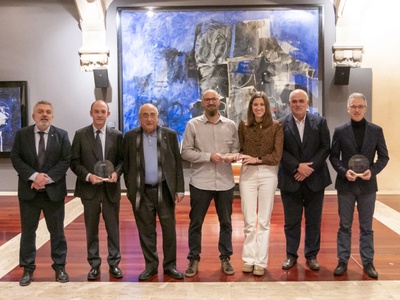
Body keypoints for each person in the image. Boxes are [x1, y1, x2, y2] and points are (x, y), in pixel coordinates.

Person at [10, 100, 71, 286]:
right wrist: (34, 177)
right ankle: (27, 269)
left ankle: (60, 267)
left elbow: (66, 159)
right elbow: (16, 158)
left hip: (53, 192)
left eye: (48, 112)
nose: (44, 115)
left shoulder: (61, 135)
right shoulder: (22, 135)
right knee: (28, 232)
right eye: (40, 111)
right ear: (33, 115)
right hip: (29, 193)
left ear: (52, 115)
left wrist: (46, 179)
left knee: (57, 232)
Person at [329, 93, 389, 278]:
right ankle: (342, 260)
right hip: (346, 185)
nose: (356, 110)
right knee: (344, 225)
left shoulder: (376, 130)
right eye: (353, 106)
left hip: (367, 185)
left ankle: (368, 261)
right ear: (348, 108)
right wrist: (343, 171)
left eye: (360, 106)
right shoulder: (339, 131)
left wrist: (373, 170)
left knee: (366, 226)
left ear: (365, 108)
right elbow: (333, 156)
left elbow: (384, 157)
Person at [181, 89, 239, 277]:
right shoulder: (193, 125)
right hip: (200, 182)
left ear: (219, 101)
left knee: (226, 223)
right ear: (202, 103)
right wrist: (208, 156)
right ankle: (193, 259)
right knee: (196, 223)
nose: (211, 102)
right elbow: (185, 152)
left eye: (214, 99)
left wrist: (233, 157)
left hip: (225, 182)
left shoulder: (231, 125)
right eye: (207, 100)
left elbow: (237, 149)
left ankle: (226, 258)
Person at [123, 103, 185, 281]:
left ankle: (170, 266)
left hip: (164, 190)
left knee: (169, 230)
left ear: (158, 117)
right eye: (145, 115)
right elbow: (127, 165)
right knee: (146, 231)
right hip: (141, 192)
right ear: (139, 118)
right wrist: (130, 188)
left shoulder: (169, 135)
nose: (149, 119)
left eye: (152, 115)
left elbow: (177, 165)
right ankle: (150, 266)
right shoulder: (130, 137)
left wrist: (179, 188)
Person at [278, 89, 331, 271]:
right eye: (294, 101)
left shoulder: (320, 122)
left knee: (313, 220)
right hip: (290, 179)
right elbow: (279, 151)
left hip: (315, 179)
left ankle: (311, 256)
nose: (298, 104)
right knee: (291, 221)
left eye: (301, 101)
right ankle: (291, 255)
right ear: (289, 104)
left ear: (307, 103)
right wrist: (296, 166)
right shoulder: (280, 124)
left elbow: (325, 148)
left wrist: (308, 168)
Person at [70, 100, 123, 280]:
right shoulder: (80, 135)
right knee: (91, 229)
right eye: (96, 111)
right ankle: (94, 264)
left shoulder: (117, 135)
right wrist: (88, 176)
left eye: (103, 111)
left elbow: (123, 161)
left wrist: (116, 173)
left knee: (113, 228)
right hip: (89, 189)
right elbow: (74, 162)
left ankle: (114, 263)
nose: (100, 114)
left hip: (111, 189)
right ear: (91, 113)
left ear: (108, 114)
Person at [238, 91, 283, 276]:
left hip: (267, 174)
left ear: (267, 107)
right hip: (247, 174)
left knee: (263, 220)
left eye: (262, 105)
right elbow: (240, 149)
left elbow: (276, 156)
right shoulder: (243, 126)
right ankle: (248, 259)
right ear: (251, 107)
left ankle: (260, 261)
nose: (258, 108)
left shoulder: (276, 126)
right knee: (249, 220)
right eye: (255, 105)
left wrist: (257, 159)